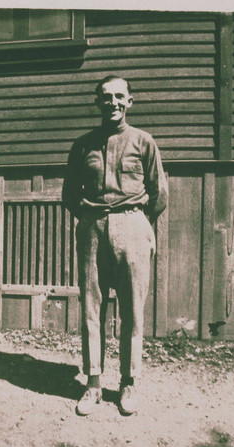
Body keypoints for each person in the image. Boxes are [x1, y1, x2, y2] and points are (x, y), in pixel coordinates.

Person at [62, 75, 168, 416]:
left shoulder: (144, 141)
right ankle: (93, 384)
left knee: (132, 310)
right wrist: (91, 220)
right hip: (92, 228)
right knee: (92, 309)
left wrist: (138, 222)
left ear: (130, 101)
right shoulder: (83, 145)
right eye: (106, 97)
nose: (113, 103)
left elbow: (159, 192)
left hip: (133, 226)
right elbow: (69, 194)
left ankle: (128, 383)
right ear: (97, 102)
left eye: (119, 96)